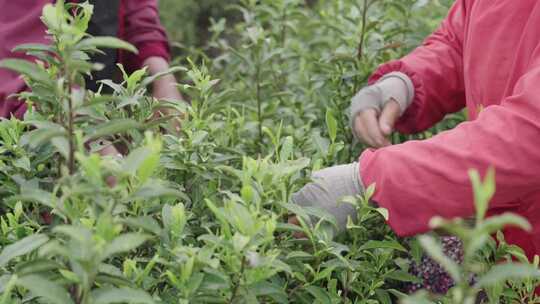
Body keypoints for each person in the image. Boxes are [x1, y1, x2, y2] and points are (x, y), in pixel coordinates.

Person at [290, 0, 540, 262]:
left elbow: (529, 136)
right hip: (498, 236)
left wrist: (369, 181)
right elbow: (461, 41)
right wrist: (407, 82)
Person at [0, 0, 183, 156]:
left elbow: (136, 11)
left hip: (92, 112)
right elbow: (26, 69)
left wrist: (163, 78)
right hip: (23, 130)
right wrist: (96, 145)